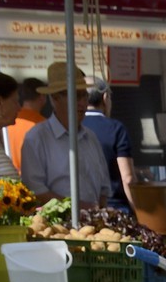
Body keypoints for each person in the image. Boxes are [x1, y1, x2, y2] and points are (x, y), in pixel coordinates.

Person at [20, 61, 109, 209]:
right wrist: (80, 207)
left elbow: (104, 188)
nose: (82, 103)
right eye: (75, 96)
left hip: (94, 226)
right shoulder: (36, 138)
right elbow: (36, 192)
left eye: (84, 96)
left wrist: (99, 215)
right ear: (55, 98)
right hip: (57, 227)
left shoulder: (91, 137)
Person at [83, 77, 136, 214]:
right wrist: (138, 211)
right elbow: (128, 177)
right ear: (105, 98)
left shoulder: (70, 128)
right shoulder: (116, 129)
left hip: (80, 209)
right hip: (115, 208)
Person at [9, 76, 48, 173]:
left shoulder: (9, 121)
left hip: (10, 178)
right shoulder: (44, 125)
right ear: (42, 97)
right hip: (33, 178)